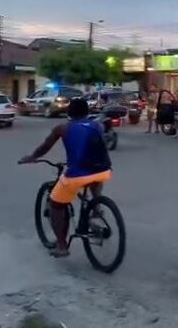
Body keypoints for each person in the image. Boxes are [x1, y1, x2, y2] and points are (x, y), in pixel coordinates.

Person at [18, 98, 112, 257]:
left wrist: (32, 157)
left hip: (77, 174)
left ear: (69, 112)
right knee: (94, 180)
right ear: (87, 112)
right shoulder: (97, 125)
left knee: (56, 204)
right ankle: (96, 207)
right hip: (103, 170)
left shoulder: (62, 128)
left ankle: (62, 246)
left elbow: (45, 147)